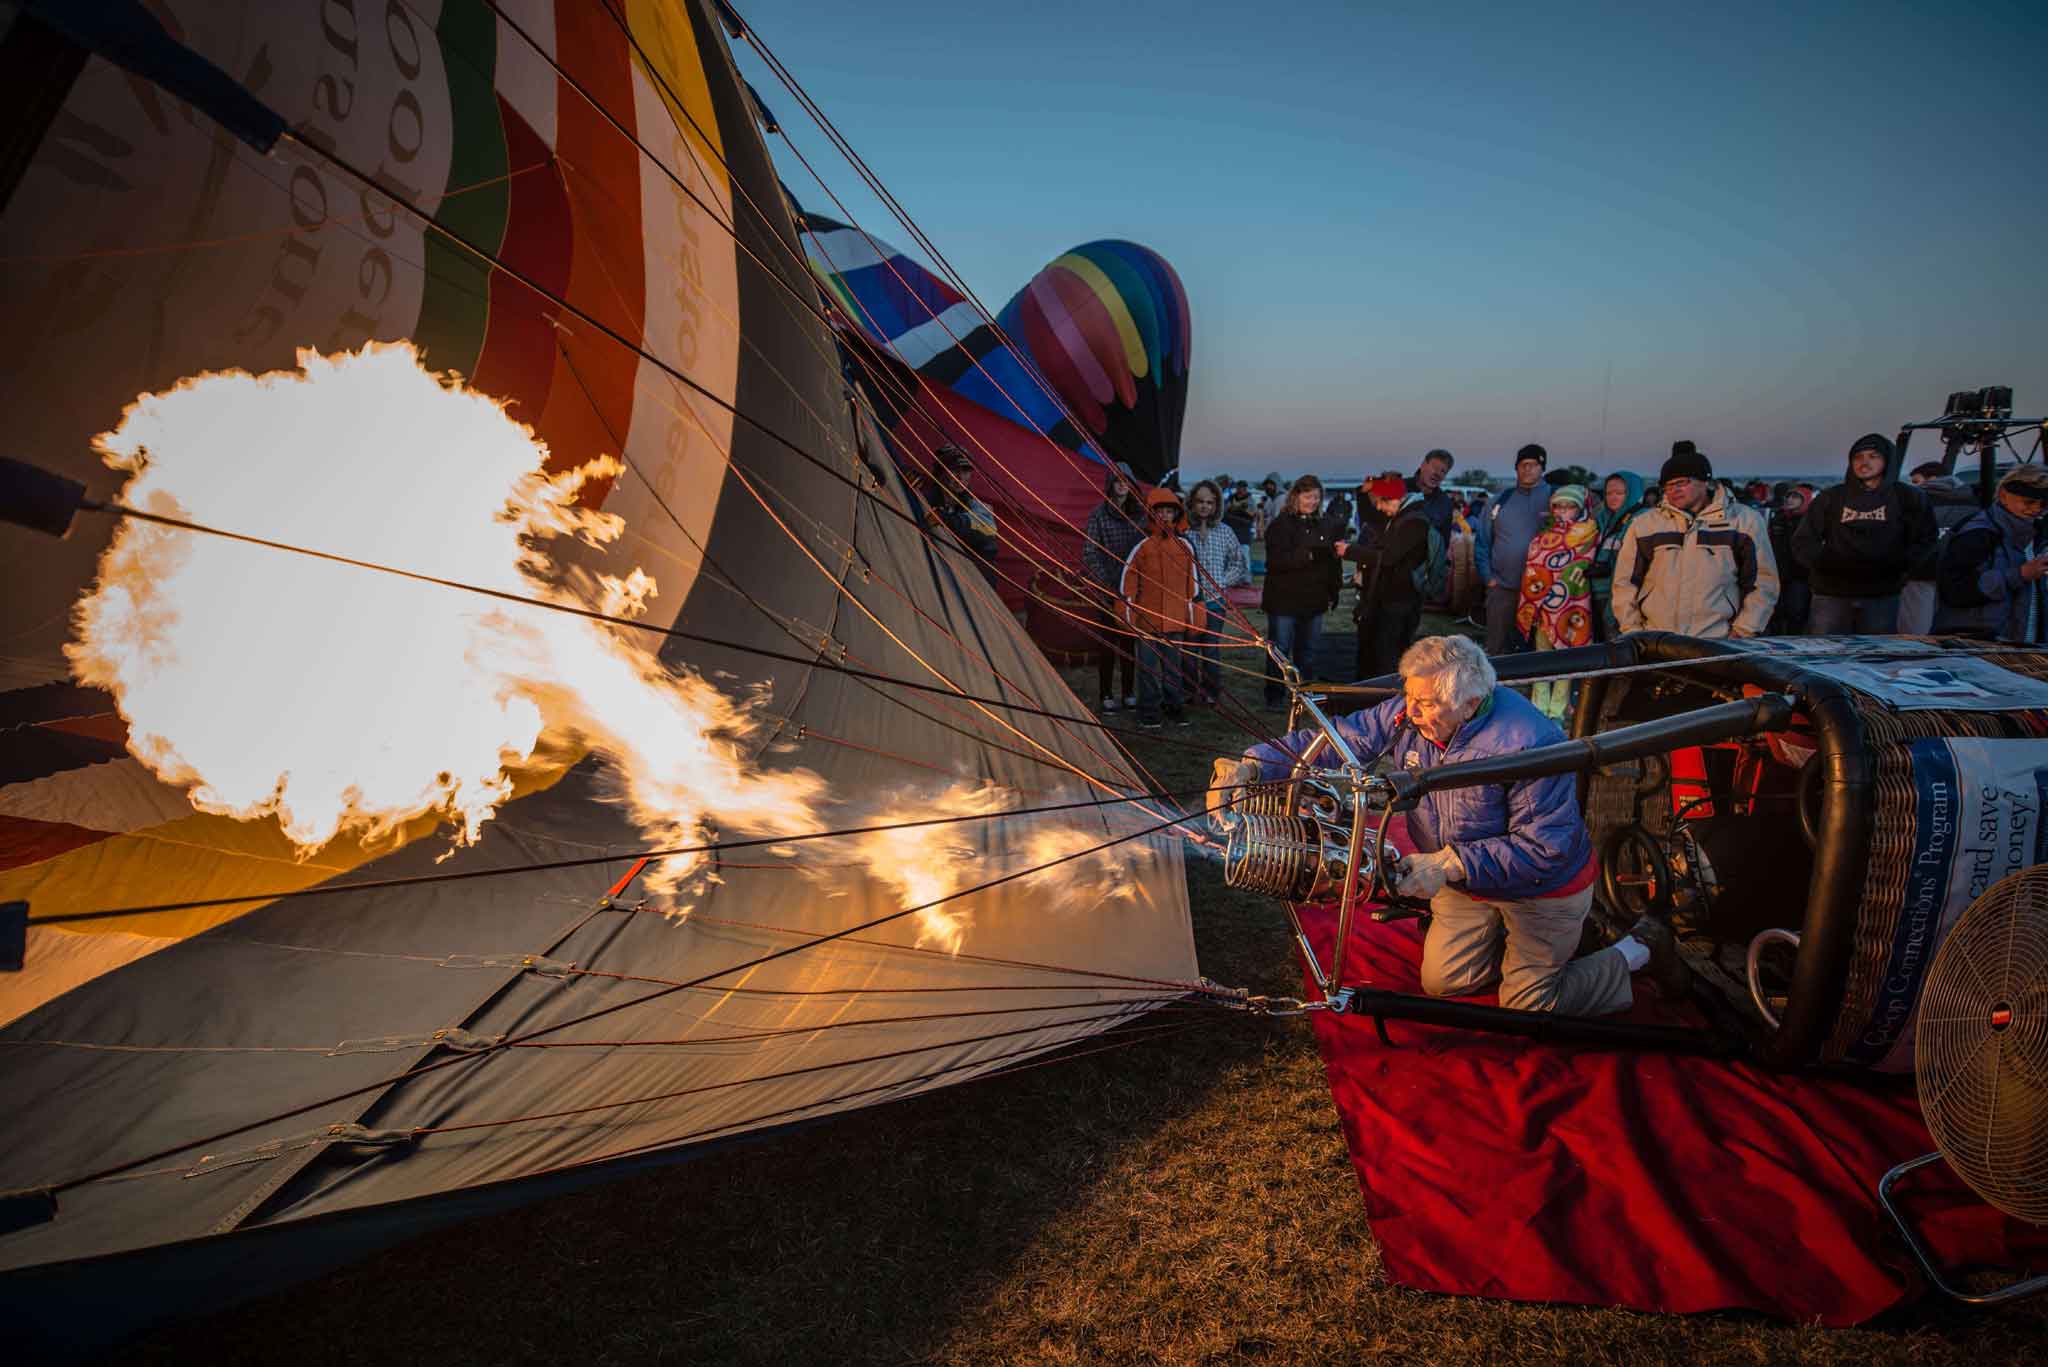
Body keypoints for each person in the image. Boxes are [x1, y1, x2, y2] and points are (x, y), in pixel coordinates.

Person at [1209, 634, 1682, 1015]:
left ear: (1471, 702)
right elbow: (1339, 739)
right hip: (1464, 881)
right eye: (1409, 696)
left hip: (1541, 889)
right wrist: (1254, 766)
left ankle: (1635, 949)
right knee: (1444, 982)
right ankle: (1534, 952)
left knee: (1529, 1004)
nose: (1411, 712)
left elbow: (1545, 848)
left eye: (1428, 703)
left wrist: (1451, 863)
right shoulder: (1409, 713)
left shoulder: (1530, 743)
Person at [1611, 441, 1778, 638]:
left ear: (1705, 481)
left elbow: (1763, 582)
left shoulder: (1743, 521)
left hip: (1719, 640)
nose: (1673, 490)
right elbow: (1625, 583)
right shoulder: (1645, 524)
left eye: (1681, 482)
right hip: (1656, 639)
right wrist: (1633, 631)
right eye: (1667, 485)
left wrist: (1744, 630)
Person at [1790, 433, 1936, 635]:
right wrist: (1826, 566)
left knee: (1873, 658)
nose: (1864, 462)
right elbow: (1803, 540)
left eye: (1873, 456)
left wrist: (1899, 566)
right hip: (1832, 594)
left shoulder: (1908, 497)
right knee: (1824, 658)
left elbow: (1926, 539)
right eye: (1858, 457)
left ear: (1887, 460)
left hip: (1882, 595)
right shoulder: (1831, 497)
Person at [1935, 465, 2048, 644]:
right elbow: (1954, 590)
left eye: (2044, 504)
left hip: (2025, 645)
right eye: (2029, 501)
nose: (2037, 509)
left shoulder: (2039, 535)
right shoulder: (1977, 533)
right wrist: (2019, 575)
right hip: (1976, 645)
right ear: (2003, 495)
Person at [1120, 487, 1201, 727]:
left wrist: (1194, 613)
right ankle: (1148, 710)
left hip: (1175, 618)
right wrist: (1126, 610)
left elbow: (1194, 583)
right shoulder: (1141, 544)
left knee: (1173, 667)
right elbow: (1128, 579)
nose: (1165, 516)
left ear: (1177, 515)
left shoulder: (1185, 546)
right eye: (1160, 511)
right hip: (1148, 618)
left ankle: (1174, 706)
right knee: (1147, 668)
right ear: (1151, 513)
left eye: (1170, 511)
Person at [1516, 484, 1599, 718]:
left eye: (1569, 506)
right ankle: (1538, 705)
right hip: (1542, 607)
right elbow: (1535, 563)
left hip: (1572, 604)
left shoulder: (1589, 532)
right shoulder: (1545, 534)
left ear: (1580, 507)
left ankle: (1558, 709)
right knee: (1542, 654)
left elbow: (1582, 562)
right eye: (1558, 506)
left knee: (1567, 655)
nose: (1563, 511)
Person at [1336, 474, 1429, 681]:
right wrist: (1364, 491)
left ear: (1391, 498)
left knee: (1388, 656)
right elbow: (1370, 517)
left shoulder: (1414, 522)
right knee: (1374, 651)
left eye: (1380, 503)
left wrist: (1351, 551)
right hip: (1388, 597)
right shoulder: (1402, 516)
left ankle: (1385, 699)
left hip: (1400, 600)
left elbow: (1388, 557)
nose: (1379, 508)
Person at [1260, 474, 1340, 707]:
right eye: (1308, 497)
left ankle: (1306, 697)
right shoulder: (1280, 525)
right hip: (1284, 600)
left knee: (1309, 652)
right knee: (1281, 651)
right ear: (1295, 497)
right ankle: (1275, 696)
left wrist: (1333, 591)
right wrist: (1308, 555)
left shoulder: (1325, 525)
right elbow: (1275, 562)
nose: (1313, 501)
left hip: (1314, 599)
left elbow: (1332, 564)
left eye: (1316, 497)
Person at [1473, 444, 1552, 655]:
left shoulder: (1555, 499)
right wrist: (1488, 577)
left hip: (1542, 591)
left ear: (1542, 468)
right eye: (1523, 465)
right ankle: (1496, 686)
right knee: (1497, 647)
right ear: (1516, 468)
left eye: (1533, 465)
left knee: (1536, 648)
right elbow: (1482, 540)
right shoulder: (1499, 501)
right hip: (1503, 587)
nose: (1527, 469)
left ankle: (1530, 687)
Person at [1082, 463, 1146, 712]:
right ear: (1110, 483)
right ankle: (1106, 693)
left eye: (1126, 480)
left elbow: (1143, 549)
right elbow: (1090, 552)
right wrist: (1108, 584)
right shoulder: (1098, 515)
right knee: (1108, 641)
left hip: (1131, 588)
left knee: (1129, 643)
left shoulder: (1139, 515)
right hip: (1107, 589)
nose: (1122, 484)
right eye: (1118, 480)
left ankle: (1129, 691)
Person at [1182, 479, 1251, 703]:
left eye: (1210, 503)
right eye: (1200, 501)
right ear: (1192, 503)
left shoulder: (1225, 531)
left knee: (1211, 649)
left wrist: (1221, 581)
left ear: (1216, 505)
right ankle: (1189, 691)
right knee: (1189, 649)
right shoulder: (1184, 532)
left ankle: (1211, 692)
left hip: (1215, 601)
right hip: (1189, 601)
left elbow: (1239, 563)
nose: (1204, 506)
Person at [1900, 462, 1980, 634]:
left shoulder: (1919, 499)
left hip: (1921, 573)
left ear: (1933, 478)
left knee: (1913, 634)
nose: (1914, 486)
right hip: (1958, 575)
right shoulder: (1972, 498)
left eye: (1916, 481)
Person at [919, 445, 1001, 585]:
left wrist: (951, 521)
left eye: (966, 471)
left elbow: (988, 535)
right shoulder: (922, 494)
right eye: (954, 469)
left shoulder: (980, 508)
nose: (961, 476)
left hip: (963, 580)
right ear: (940, 471)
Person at [1588, 470, 1645, 639]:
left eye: (1620, 493)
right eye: (1609, 493)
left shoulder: (1640, 520)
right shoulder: (1603, 518)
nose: (1613, 498)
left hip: (1620, 600)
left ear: (1633, 493)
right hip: (1596, 596)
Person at [1768, 484, 1812, 635]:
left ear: (1805, 499)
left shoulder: (1810, 520)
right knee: (1776, 611)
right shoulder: (1778, 518)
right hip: (1778, 572)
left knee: (1796, 612)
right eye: (1788, 496)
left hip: (1800, 575)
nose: (1790, 500)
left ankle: (1795, 641)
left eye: (1795, 497)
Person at [1408, 448, 1457, 543]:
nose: (1437, 474)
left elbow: (1443, 542)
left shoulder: (1445, 504)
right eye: (1434, 468)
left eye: (1443, 471)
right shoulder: (1400, 489)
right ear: (1423, 465)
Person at [1255, 473, 1286, 538]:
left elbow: (1277, 522)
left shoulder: (1281, 499)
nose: (1268, 487)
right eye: (1266, 484)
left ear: (1277, 485)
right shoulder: (1270, 500)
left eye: (1271, 484)